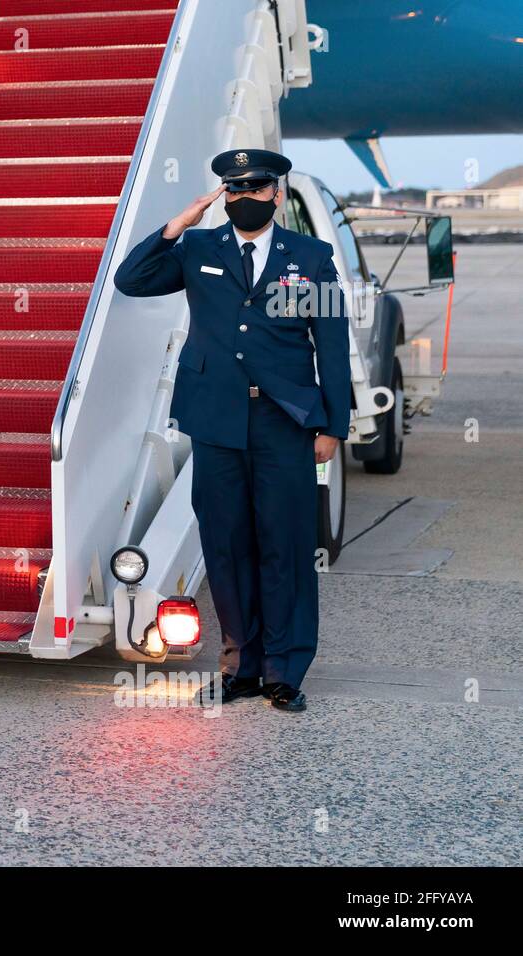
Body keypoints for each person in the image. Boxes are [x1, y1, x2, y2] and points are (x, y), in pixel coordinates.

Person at [113, 148, 350, 712]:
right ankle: (240, 666)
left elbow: (332, 346)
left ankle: (284, 672)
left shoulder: (309, 257)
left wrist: (333, 423)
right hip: (216, 419)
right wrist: (178, 225)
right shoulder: (198, 248)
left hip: (284, 422)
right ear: (225, 195)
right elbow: (131, 279)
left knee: (286, 546)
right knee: (226, 545)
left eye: (255, 188)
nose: (244, 197)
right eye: (234, 189)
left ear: (276, 193)